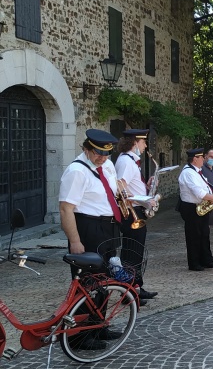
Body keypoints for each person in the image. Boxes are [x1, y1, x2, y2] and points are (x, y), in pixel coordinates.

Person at [59, 129, 126, 349]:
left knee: (104, 281)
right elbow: (66, 209)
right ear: (86, 149)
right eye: (98, 153)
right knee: (86, 283)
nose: (103, 157)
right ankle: (79, 337)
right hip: (88, 227)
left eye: (107, 153)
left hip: (107, 227)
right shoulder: (76, 171)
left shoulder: (105, 165)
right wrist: (75, 241)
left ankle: (98, 326)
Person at [114, 129, 158, 301]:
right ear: (135, 142)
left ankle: (136, 286)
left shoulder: (131, 161)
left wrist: (147, 186)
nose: (145, 145)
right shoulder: (126, 161)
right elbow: (120, 188)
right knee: (132, 253)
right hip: (132, 212)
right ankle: (129, 291)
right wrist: (145, 199)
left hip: (137, 210)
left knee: (136, 252)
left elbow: (130, 186)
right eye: (143, 142)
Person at [177, 148, 213, 271]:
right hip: (191, 207)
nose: (203, 159)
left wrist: (210, 195)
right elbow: (197, 191)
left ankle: (206, 260)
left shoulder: (197, 171)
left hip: (201, 206)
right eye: (201, 157)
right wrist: (211, 197)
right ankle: (194, 263)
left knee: (204, 234)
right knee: (194, 236)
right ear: (194, 159)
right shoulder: (188, 173)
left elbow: (205, 186)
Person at [201, 149, 213, 227]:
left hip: (211, 201)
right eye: (211, 157)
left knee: (208, 227)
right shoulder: (201, 168)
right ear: (205, 156)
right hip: (203, 202)